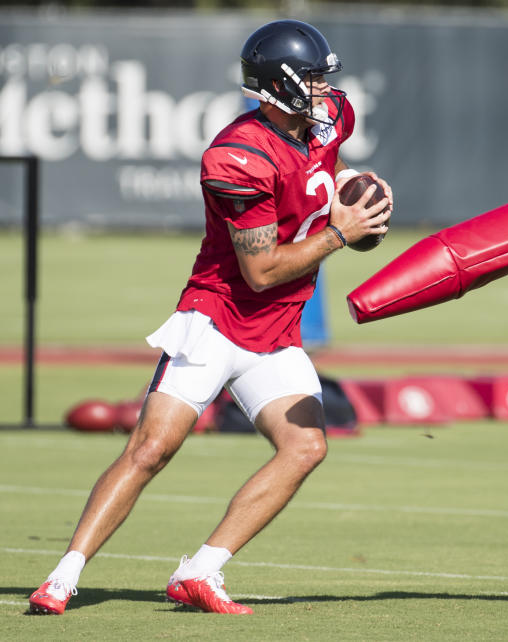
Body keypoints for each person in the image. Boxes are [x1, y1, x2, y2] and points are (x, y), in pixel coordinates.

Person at [28, 19, 391, 615]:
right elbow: (263, 271)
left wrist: (348, 184)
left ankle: (202, 570)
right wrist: (338, 233)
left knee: (305, 447)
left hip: (277, 329)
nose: (328, 89)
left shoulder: (327, 118)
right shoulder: (236, 157)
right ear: (285, 85)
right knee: (152, 448)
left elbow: (327, 156)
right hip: (218, 317)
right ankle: (62, 577)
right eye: (316, 79)